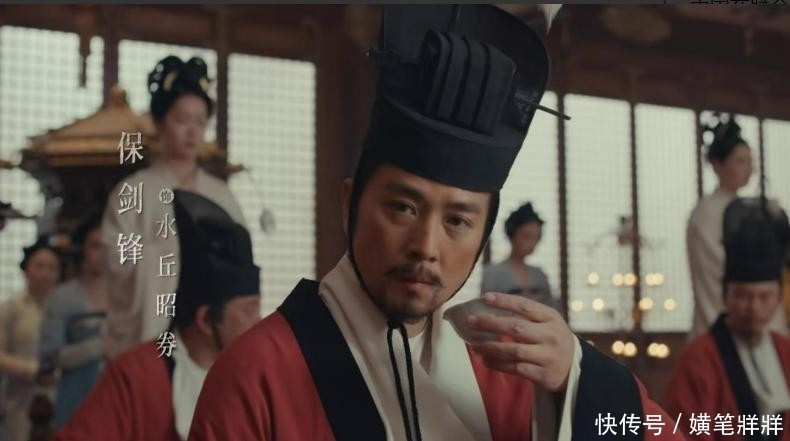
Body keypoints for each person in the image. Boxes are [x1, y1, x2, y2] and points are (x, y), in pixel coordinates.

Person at [188, 6, 681, 441]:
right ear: (349, 204)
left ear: (485, 234)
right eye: (402, 208)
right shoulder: (257, 373)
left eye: (457, 221)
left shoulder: (514, 366)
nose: (425, 246)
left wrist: (578, 379)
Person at [54, 190, 261, 441]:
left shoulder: (256, 378)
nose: (259, 322)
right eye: (249, 310)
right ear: (206, 320)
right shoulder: (138, 373)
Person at [101, 55, 246, 357]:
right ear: (159, 122)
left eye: (199, 122)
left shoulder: (221, 194)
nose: (192, 131)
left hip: (208, 334)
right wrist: (169, 255)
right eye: (181, 120)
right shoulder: (133, 191)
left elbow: (240, 265)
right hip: (153, 333)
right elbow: (117, 261)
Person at [667, 198, 790, 441]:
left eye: (764, 297)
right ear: (725, 295)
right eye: (743, 295)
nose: (753, 307)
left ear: (778, 298)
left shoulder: (786, 351)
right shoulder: (699, 359)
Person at [687, 117, 788, 338]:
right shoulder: (707, 211)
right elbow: (722, 269)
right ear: (718, 164)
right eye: (740, 161)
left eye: (750, 161)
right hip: (719, 321)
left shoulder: (745, 208)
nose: (749, 169)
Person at [38, 211, 109, 429]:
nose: (103, 253)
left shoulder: (126, 297)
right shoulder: (63, 297)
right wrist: (99, 345)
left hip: (116, 402)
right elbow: (50, 355)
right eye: (96, 246)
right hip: (75, 400)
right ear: (82, 249)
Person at [0, 237, 61, 441]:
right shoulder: (9, 308)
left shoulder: (64, 309)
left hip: (58, 395)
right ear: (26, 269)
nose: (45, 273)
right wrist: (32, 370)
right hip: (19, 398)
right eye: (40, 266)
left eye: (52, 268)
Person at [481, 202, 560, 312]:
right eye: (527, 236)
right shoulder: (493, 273)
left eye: (537, 237)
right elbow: (487, 310)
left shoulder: (540, 274)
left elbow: (552, 310)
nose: (532, 243)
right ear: (513, 234)